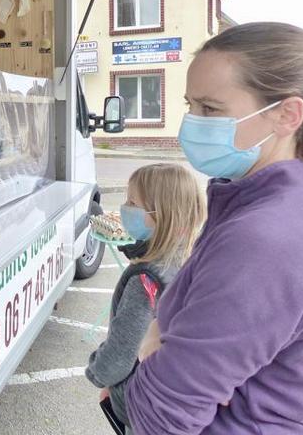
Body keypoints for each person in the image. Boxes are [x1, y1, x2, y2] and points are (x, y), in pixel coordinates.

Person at [126, 22, 303, 434]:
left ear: (287, 115)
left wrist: (157, 349)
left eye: (210, 109)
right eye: (190, 105)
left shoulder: (266, 237)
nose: (191, 124)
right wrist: (158, 339)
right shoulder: (255, 202)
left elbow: (166, 413)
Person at [86, 164, 205, 434]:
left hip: (140, 406)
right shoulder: (189, 262)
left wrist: (97, 373)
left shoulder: (145, 281)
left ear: (162, 216)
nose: (124, 207)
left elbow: (120, 353)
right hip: (173, 402)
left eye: (132, 202)